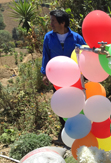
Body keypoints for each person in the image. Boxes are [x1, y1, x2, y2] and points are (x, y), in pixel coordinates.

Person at [40, 9, 86, 141]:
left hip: (75, 77)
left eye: (53, 21)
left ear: (62, 22)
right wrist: (44, 73)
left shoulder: (76, 37)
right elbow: (46, 55)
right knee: (61, 102)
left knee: (77, 101)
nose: (51, 24)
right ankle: (66, 129)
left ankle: (80, 128)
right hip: (57, 78)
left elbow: (85, 55)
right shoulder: (48, 37)